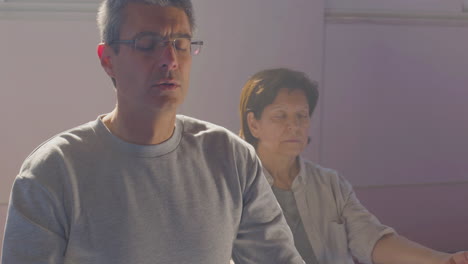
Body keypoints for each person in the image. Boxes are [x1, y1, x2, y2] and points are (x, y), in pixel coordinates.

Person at [1, 1, 305, 263]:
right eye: (147, 44)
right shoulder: (53, 172)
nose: (170, 60)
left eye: (181, 44)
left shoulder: (231, 159)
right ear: (108, 59)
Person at [238, 67, 468, 264]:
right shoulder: (235, 186)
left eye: (302, 115)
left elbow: (372, 238)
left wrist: (442, 260)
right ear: (253, 123)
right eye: (281, 116)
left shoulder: (330, 183)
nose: (294, 126)